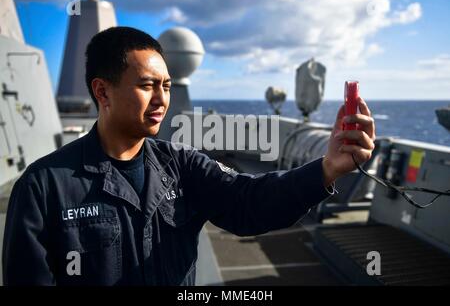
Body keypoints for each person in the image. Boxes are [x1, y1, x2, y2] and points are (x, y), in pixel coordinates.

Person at [2, 26, 376, 285]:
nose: (162, 99)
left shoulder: (181, 165)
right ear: (102, 92)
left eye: (165, 85)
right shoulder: (44, 186)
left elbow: (249, 203)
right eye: (147, 85)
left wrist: (327, 169)